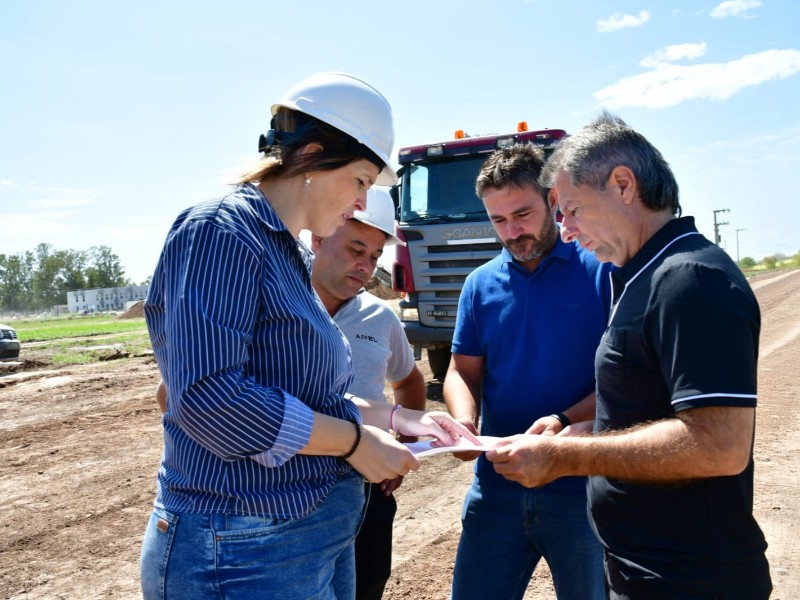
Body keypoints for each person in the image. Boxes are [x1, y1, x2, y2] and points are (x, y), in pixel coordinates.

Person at [140, 72, 477, 600]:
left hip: (301, 536)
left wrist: (401, 419)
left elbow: (304, 395)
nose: (361, 201)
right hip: (241, 544)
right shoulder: (221, 232)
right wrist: (354, 443)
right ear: (313, 158)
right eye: (361, 181)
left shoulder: (287, 253)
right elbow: (209, 400)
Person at [488, 111, 772, 599]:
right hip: (646, 570)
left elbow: (719, 445)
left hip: (691, 580)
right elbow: (648, 405)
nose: (566, 231)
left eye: (572, 209)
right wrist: (580, 428)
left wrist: (565, 456)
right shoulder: (643, 275)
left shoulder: (688, 279)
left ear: (623, 185)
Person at [444, 142, 611, 600]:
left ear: (552, 200)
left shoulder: (602, 270)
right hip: (496, 492)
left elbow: (625, 381)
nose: (512, 231)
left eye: (522, 214)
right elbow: (461, 370)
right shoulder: (479, 285)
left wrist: (561, 421)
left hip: (581, 489)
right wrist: (464, 422)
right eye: (498, 220)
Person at [310, 186, 426, 600]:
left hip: (366, 487)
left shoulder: (380, 318)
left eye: (375, 256)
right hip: (295, 490)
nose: (365, 266)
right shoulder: (282, 306)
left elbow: (409, 381)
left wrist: (404, 443)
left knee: (366, 585)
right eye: (356, 249)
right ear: (318, 237)